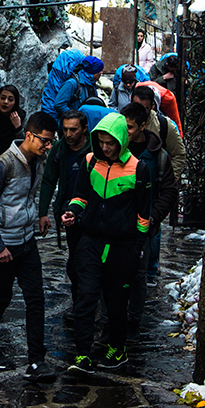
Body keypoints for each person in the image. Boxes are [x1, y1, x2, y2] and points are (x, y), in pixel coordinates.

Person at [61, 113, 151, 373]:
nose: (105, 147)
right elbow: (81, 196)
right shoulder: (89, 162)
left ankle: (117, 348)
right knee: (86, 298)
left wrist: (137, 248)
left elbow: (144, 215)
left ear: (122, 139)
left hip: (122, 248)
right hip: (90, 243)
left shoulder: (139, 169)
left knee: (115, 302)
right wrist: (72, 212)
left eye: (110, 142)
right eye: (101, 142)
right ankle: (82, 354)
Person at [0, 110, 58, 382]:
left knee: (36, 299)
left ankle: (37, 360)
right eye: (44, 140)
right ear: (30, 136)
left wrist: (40, 215)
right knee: (0, 298)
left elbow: (29, 195)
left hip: (26, 241)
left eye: (50, 141)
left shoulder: (37, 161)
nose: (48, 146)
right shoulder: (3, 165)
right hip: (4, 246)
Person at [120, 102, 178, 341]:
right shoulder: (114, 149)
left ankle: (133, 321)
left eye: (130, 128)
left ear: (143, 126)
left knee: (137, 275)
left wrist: (152, 217)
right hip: (114, 225)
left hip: (142, 227)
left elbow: (170, 192)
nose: (125, 132)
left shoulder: (158, 155)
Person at [38, 111, 91, 320]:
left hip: (92, 215)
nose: (68, 134)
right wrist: (43, 213)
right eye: (65, 129)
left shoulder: (93, 150)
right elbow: (49, 180)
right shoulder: (59, 150)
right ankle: (80, 306)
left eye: (73, 130)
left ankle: (87, 307)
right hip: (69, 215)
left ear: (84, 129)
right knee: (76, 261)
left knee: (87, 262)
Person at [131, 84, 185, 284]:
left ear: (152, 106)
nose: (140, 112)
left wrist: (167, 178)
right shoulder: (122, 124)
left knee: (152, 229)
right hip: (127, 188)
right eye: (136, 106)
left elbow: (179, 153)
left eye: (144, 108)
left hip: (153, 188)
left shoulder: (164, 125)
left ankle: (150, 272)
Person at [53, 56, 104, 122]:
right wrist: (75, 118)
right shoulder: (72, 83)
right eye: (99, 72)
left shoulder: (91, 84)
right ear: (93, 72)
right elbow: (59, 104)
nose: (101, 73)